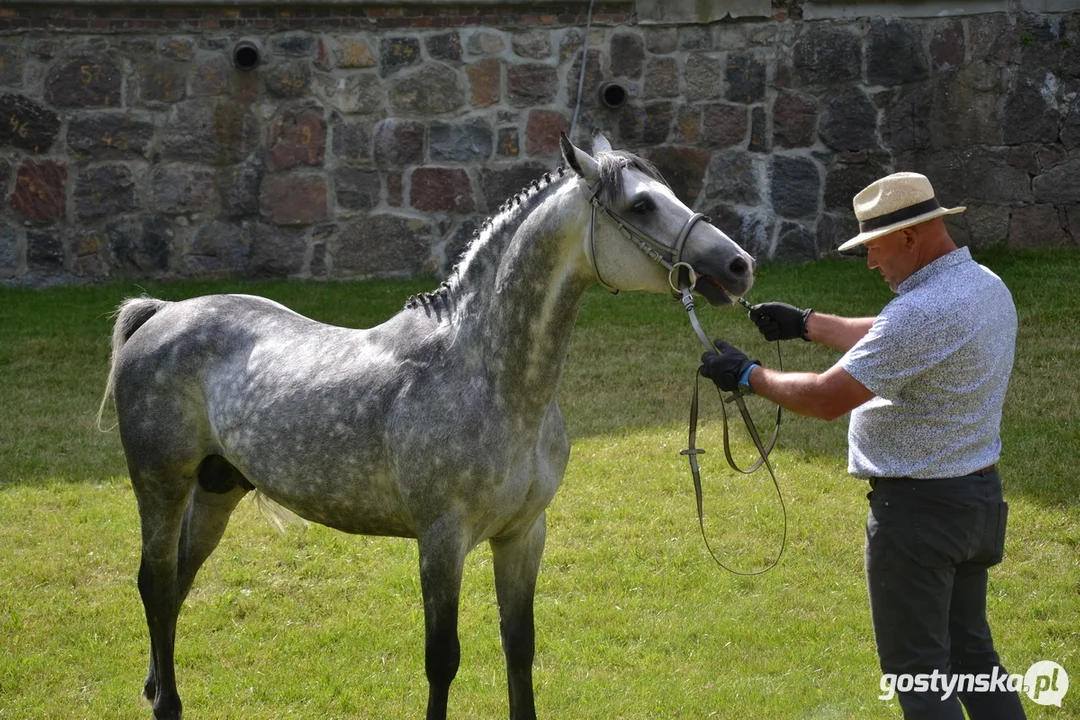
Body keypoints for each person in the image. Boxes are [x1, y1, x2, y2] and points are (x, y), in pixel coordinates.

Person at [700, 172, 1026, 719]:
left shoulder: (920, 312)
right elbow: (891, 333)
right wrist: (808, 325)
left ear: (908, 236)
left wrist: (747, 375)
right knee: (974, 659)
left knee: (919, 675)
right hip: (978, 505)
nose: (872, 263)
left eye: (873, 247)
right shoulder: (982, 284)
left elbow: (828, 398)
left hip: (920, 518)